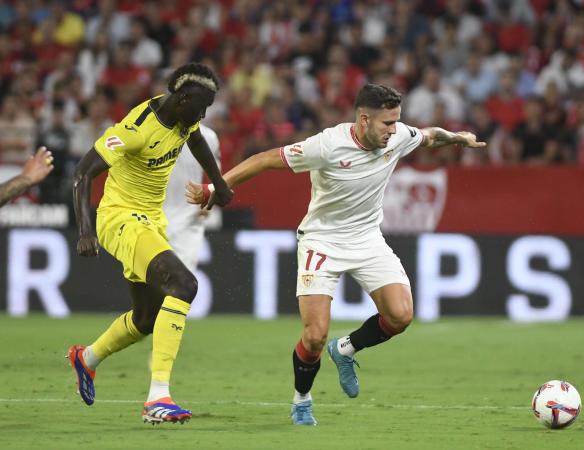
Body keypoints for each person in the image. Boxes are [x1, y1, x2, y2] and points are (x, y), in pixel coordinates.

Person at [186, 83, 485, 425]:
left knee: (401, 316)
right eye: (387, 123)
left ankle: (346, 350)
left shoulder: (399, 135)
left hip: (368, 240)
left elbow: (429, 136)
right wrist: (216, 186)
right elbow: (265, 159)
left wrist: (458, 137)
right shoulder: (327, 145)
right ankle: (301, 400)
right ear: (363, 119)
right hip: (322, 241)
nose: (394, 130)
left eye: (396, 122)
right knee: (314, 336)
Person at [68, 63, 233, 425]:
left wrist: (218, 183)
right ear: (184, 98)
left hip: (151, 221)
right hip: (120, 219)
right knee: (185, 284)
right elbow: (82, 174)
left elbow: (196, 138)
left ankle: (87, 358)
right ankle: (158, 397)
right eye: (201, 108)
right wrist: (85, 230)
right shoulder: (136, 129)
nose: (203, 116)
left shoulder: (183, 116)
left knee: (146, 318)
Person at [164, 123, 220, 273]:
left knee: (183, 278)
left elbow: (217, 177)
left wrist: (210, 200)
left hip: (189, 217)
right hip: (153, 215)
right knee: (151, 283)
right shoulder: (151, 131)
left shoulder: (209, 137)